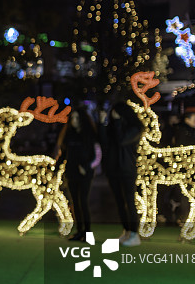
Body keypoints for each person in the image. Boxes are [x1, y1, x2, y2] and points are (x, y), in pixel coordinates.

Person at [99, 101, 143, 247]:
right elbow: (104, 142)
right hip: (113, 168)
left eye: (116, 112)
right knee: (119, 202)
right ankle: (127, 231)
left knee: (129, 202)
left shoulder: (135, 128)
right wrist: (102, 124)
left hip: (127, 169)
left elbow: (121, 140)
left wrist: (116, 122)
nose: (113, 114)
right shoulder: (113, 127)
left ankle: (135, 234)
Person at [57, 107, 101, 242]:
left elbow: (97, 155)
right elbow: (64, 153)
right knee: (75, 203)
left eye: (77, 118)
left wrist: (87, 167)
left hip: (85, 173)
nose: (74, 121)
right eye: (72, 118)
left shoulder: (90, 135)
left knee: (83, 201)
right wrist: (56, 167)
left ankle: (88, 233)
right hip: (71, 172)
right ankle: (79, 231)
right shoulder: (69, 135)